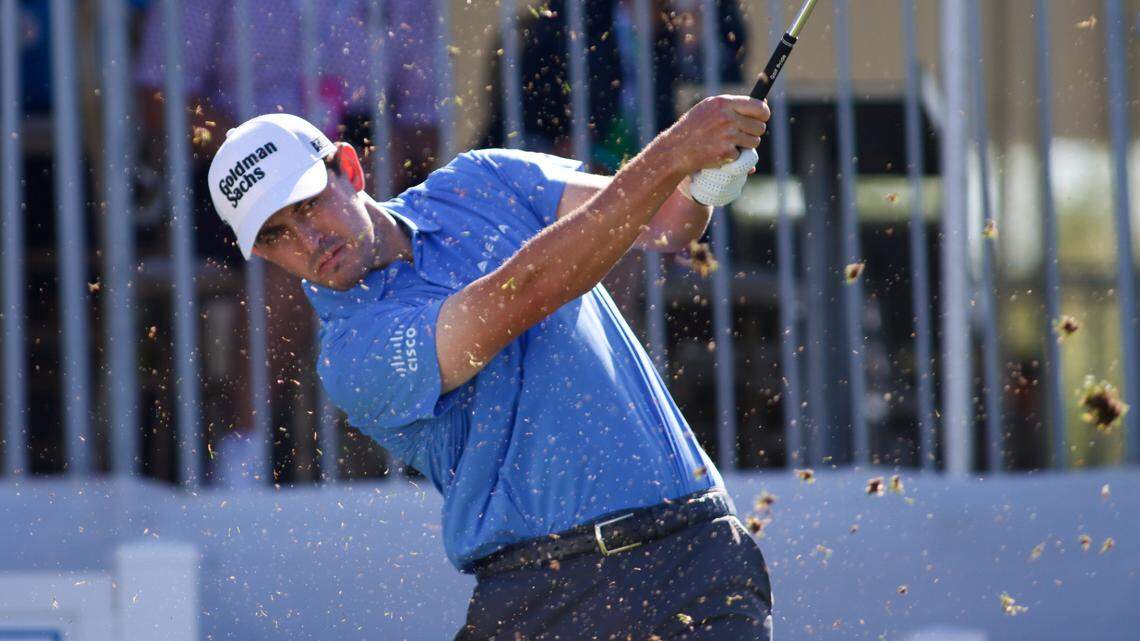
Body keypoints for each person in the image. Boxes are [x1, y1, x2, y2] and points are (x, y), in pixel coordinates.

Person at [206, 92, 773, 638]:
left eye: (309, 203)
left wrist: (709, 169)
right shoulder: (352, 353)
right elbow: (518, 296)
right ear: (260, 253)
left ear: (349, 169)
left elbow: (667, 220)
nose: (307, 240)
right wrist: (675, 151)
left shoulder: (481, 179)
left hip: (696, 553)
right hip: (542, 596)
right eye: (278, 233)